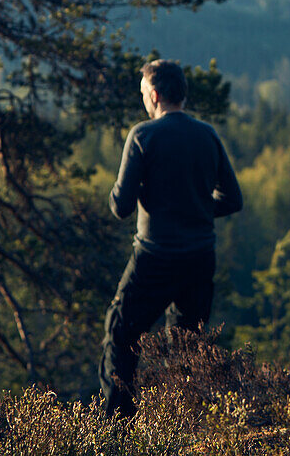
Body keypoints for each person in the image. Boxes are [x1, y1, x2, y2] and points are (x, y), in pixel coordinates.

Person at [98, 59, 242, 419]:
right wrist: (193, 208)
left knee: (121, 334)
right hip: (199, 258)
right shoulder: (207, 135)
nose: (145, 100)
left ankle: (117, 428)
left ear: (156, 95)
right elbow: (233, 199)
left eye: (145, 93)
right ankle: (186, 425)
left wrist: (127, 196)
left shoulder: (143, 136)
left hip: (155, 257)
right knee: (188, 349)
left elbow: (121, 207)